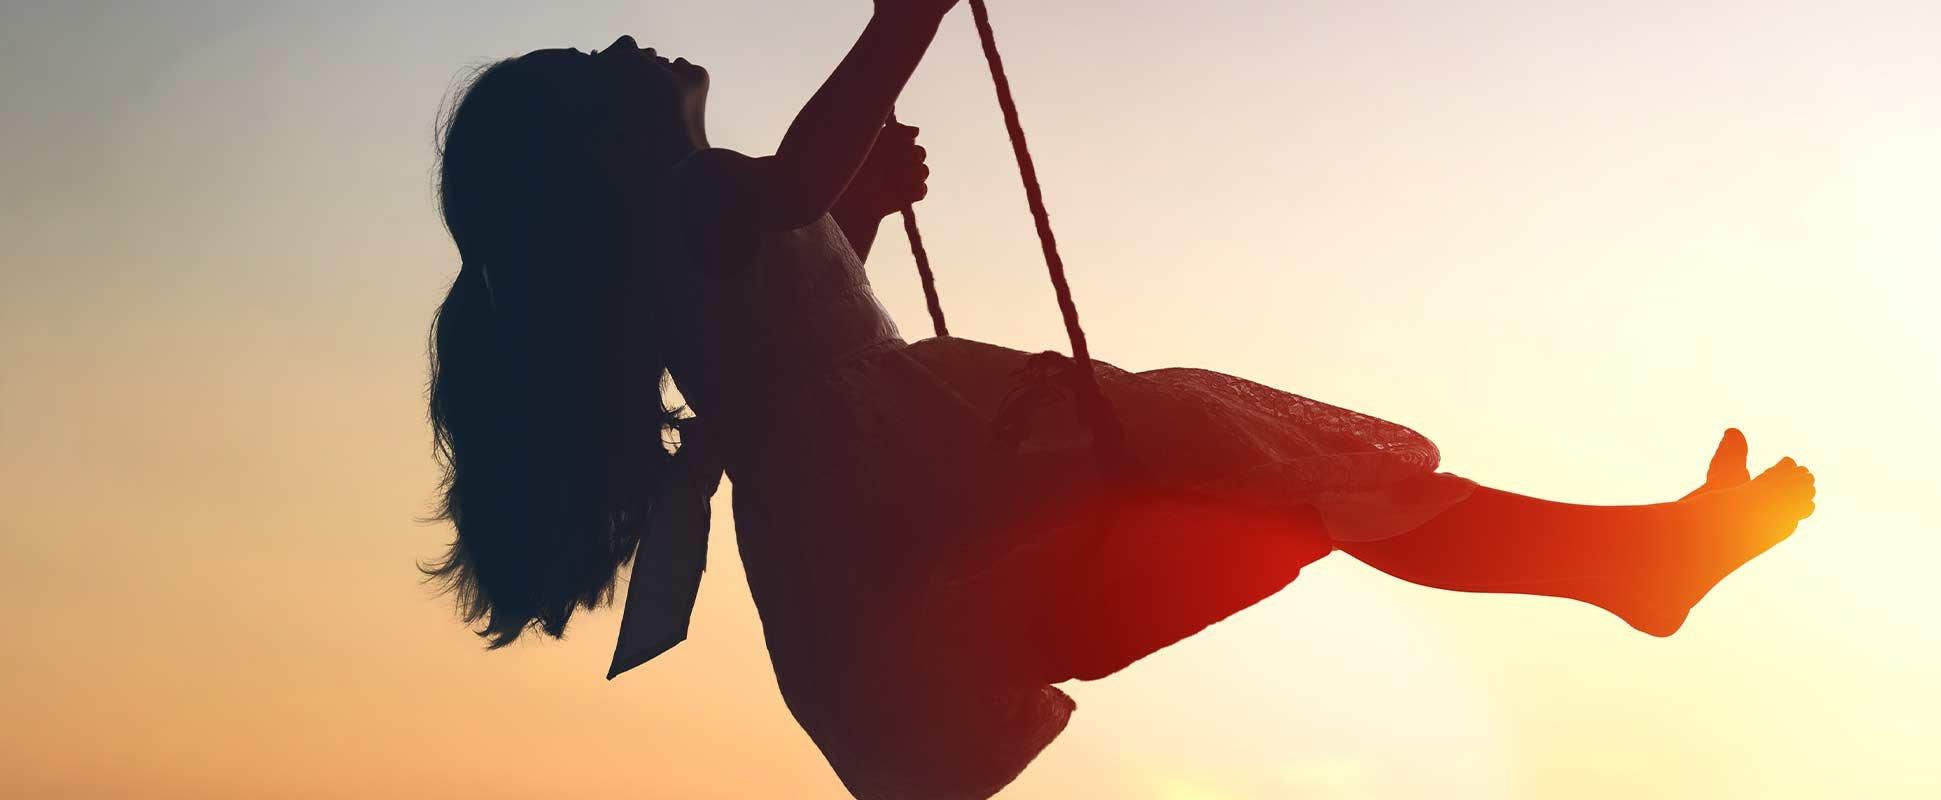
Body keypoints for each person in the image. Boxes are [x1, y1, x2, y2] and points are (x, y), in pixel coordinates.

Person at [419, 2, 1819, 795]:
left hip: (902, 511)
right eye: (590, 73)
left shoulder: (694, 229)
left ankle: (1627, 559)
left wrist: (860, 202)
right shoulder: (690, 202)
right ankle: (1624, 561)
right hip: (922, 490)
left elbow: (795, 247)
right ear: (593, 165)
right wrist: (902, 21)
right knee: (1287, 485)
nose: (621, 42)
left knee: (1293, 492)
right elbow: (786, 191)